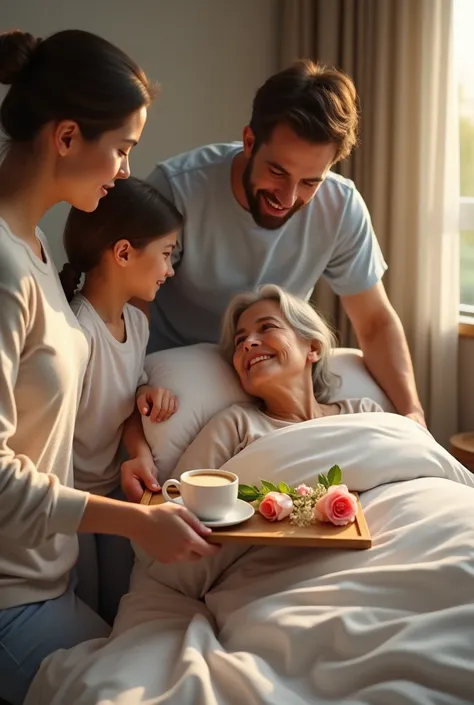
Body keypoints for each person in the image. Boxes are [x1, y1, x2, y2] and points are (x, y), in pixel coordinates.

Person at [0, 29, 216, 705]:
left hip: (46, 573)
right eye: (121, 147)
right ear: (67, 137)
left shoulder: (31, 249)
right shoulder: (7, 271)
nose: (125, 169)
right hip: (12, 595)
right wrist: (130, 520)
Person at [145, 59, 425, 427]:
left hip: (272, 378)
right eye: (277, 172)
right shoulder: (177, 190)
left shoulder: (341, 207)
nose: (289, 197)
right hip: (174, 375)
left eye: (311, 181)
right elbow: (128, 306)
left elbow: (373, 321)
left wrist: (412, 414)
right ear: (249, 142)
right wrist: (137, 384)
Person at [60, 177, 182, 625]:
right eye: (166, 254)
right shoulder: (77, 331)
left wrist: (140, 440)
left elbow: (125, 402)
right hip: (72, 498)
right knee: (88, 606)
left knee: (124, 600)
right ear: (125, 252)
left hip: (113, 487)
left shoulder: (137, 322)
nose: (169, 270)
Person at [175, 285, 383, 473]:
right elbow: (176, 499)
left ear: (313, 348)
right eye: (240, 340)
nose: (248, 343)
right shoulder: (236, 426)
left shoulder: (364, 413)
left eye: (267, 327)